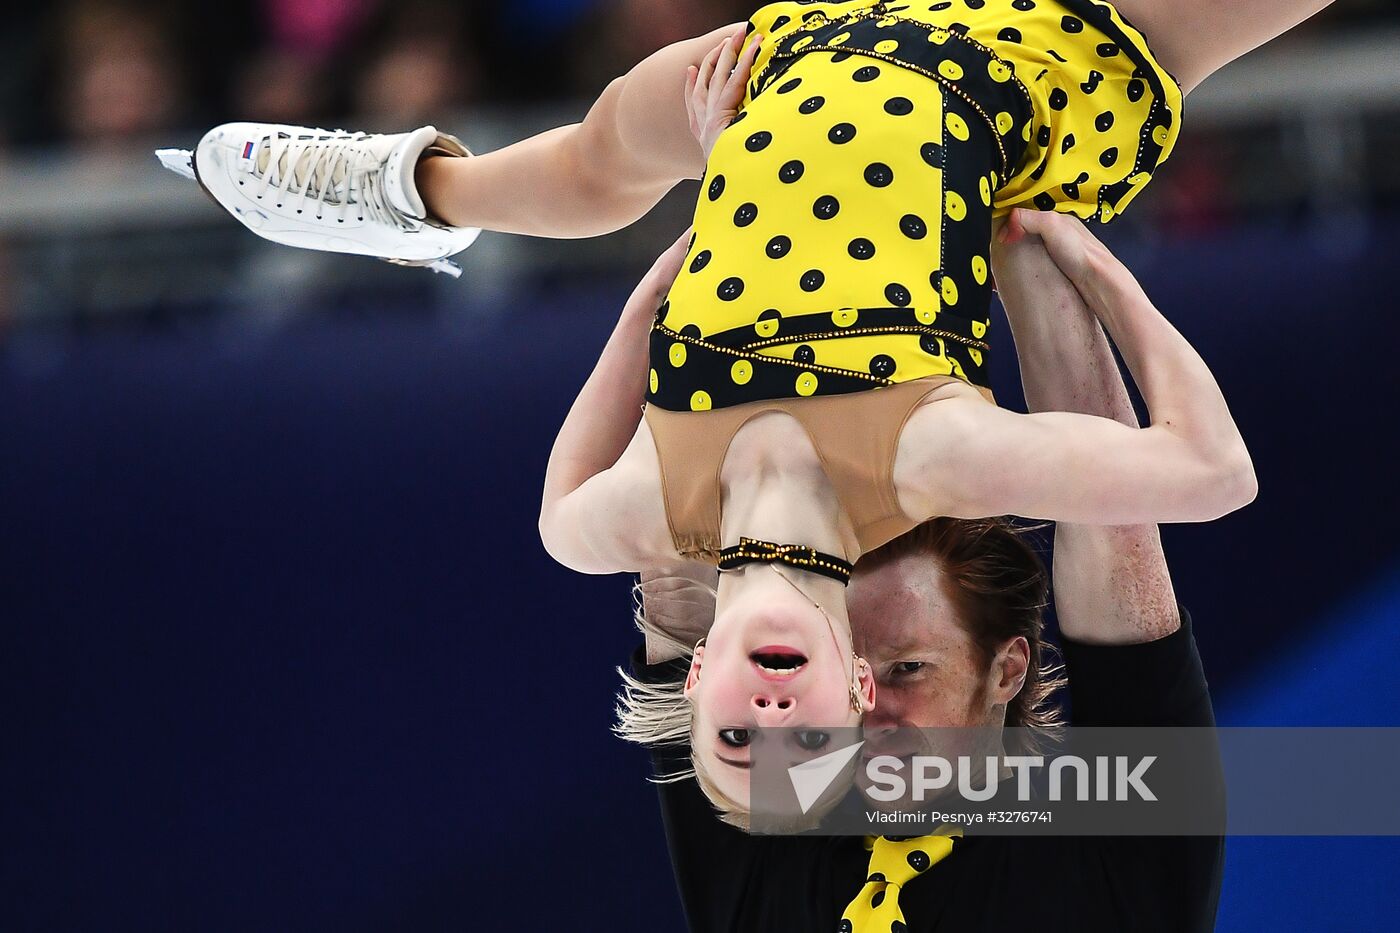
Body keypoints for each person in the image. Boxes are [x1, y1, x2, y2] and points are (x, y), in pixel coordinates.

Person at [172, 0, 1306, 815]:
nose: (768, 715)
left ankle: (419, 194)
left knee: (609, 146)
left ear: (696, 670)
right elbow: (1214, 474)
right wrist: (1097, 274)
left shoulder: (631, 517)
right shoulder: (928, 465)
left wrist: (723, 210)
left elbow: (559, 507)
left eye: (731, 736)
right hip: (1020, 64)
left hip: (793, 72)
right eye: (802, 736)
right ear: (855, 688)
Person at [626, 213, 1223, 933]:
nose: (867, 710)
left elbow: (1115, 524)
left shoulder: (1110, 854)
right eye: (852, 672)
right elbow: (682, 573)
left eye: (908, 667)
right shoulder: (761, 816)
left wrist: (1022, 229)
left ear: (1006, 668)